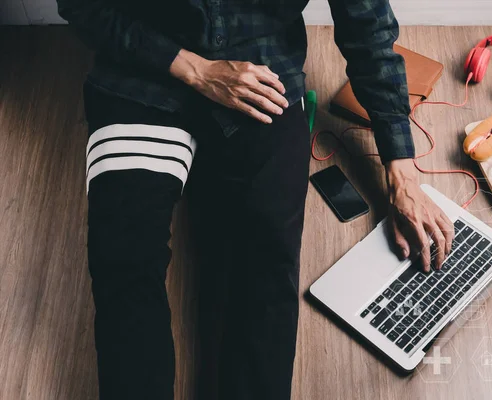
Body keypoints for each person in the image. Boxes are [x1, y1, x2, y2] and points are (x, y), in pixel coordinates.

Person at [57, 0, 454, 399]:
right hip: (143, 75)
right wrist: (195, 69)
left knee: (268, 260)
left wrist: (400, 172)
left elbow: (367, 26)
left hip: (261, 73)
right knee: (125, 259)